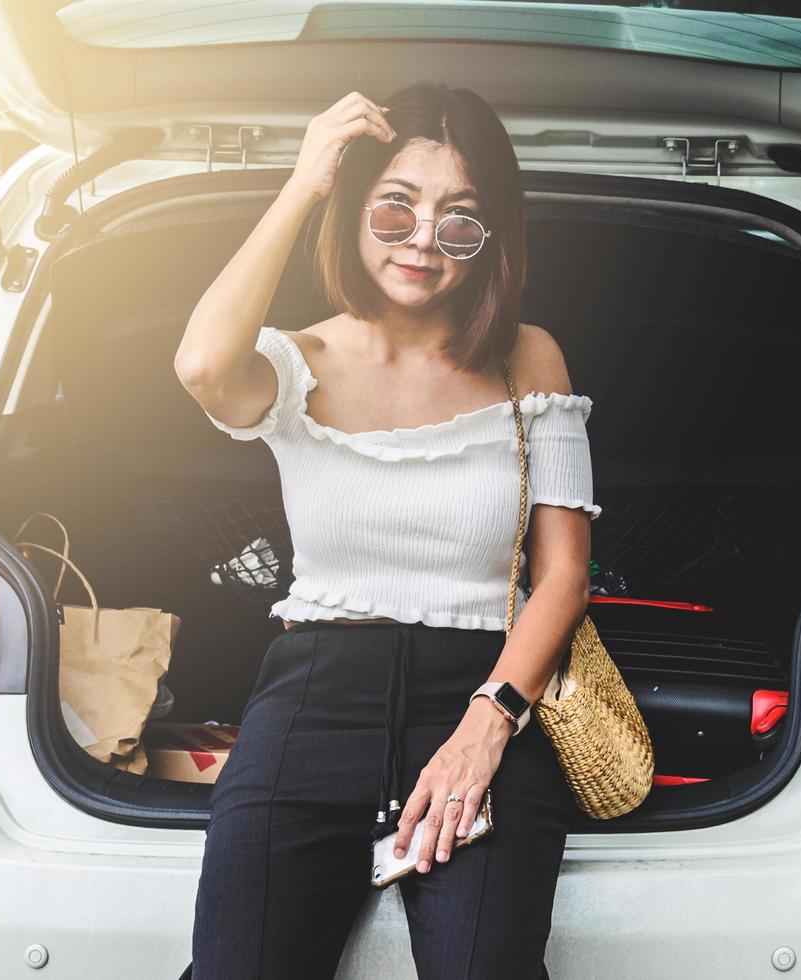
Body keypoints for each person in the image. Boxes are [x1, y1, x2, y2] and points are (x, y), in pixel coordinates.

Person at [175, 80, 600, 980]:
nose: (422, 241)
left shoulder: (530, 356)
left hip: (487, 692)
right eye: (395, 208)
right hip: (314, 697)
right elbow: (204, 364)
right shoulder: (300, 361)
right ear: (353, 207)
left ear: (490, 240)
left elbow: (563, 575)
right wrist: (301, 183)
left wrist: (490, 724)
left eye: (459, 219)